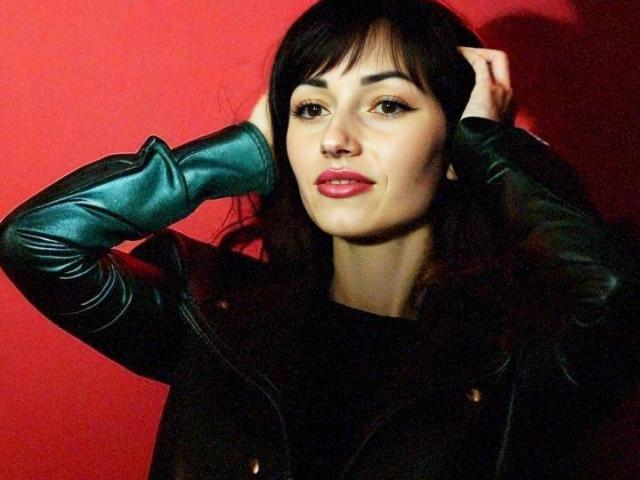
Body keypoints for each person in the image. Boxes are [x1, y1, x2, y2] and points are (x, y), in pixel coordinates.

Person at [0, 0, 638, 478]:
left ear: (457, 139)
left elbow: (615, 293)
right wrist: (239, 154)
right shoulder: (215, 318)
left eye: (386, 105)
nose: (336, 138)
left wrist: (490, 150)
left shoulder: (524, 358)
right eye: (310, 109)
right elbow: (37, 241)